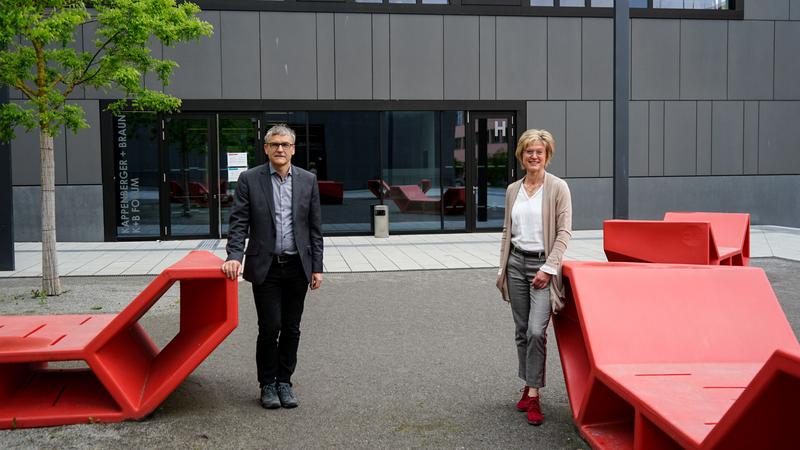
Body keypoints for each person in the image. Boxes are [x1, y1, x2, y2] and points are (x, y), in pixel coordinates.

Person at [222, 124, 324, 410]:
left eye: (285, 144)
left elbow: (314, 227)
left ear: (293, 148)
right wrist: (234, 256)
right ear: (266, 148)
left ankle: (285, 382)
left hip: (297, 266)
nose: (280, 149)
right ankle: (267, 383)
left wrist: (317, 266)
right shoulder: (249, 179)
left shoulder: (307, 180)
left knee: (292, 327)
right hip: (265, 267)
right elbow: (239, 221)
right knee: (270, 327)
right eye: (274, 144)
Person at [495, 129, 572, 426]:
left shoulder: (558, 188)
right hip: (515, 263)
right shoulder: (513, 189)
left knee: (537, 332)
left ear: (547, 155)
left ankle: (535, 395)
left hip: (543, 266)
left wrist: (548, 269)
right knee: (521, 330)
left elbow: (564, 232)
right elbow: (507, 230)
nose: (534, 156)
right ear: (521, 155)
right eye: (529, 151)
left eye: (539, 151)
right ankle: (529, 387)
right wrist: (502, 266)